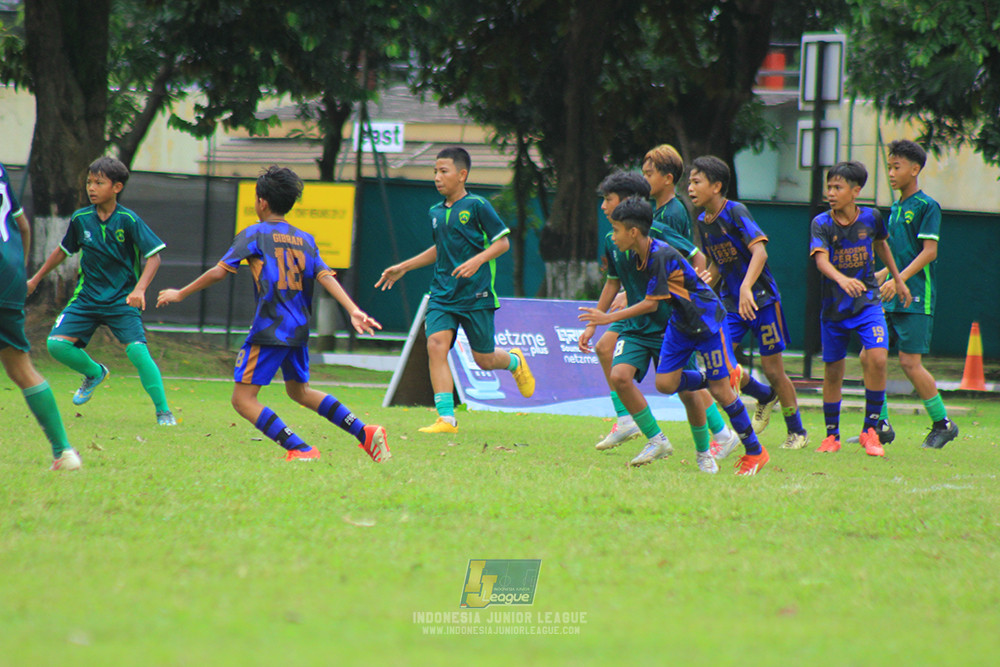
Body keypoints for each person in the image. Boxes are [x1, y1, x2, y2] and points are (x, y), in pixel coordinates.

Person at [156, 166, 390, 463]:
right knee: (300, 391)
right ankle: (365, 433)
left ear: (261, 202)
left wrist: (180, 293)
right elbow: (326, 276)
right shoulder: (304, 238)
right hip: (299, 329)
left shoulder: (254, 233)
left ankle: (301, 449)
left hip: (270, 328)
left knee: (242, 400)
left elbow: (219, 272)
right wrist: (353, 309)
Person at [579, 196, 770, 476]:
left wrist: (607, 318)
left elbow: (651, 304)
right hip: (680, 324)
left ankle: (754, 452)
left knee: (718, 393)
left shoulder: (661, 254)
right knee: (666, 384)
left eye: (617, 229)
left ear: (633, 232)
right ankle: (718, 376)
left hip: (706, 323)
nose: (613, 235)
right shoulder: (637, 255)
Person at [375, 147, 535, 433]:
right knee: (435, 344)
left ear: (462, 175)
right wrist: (405, 267)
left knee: (484, 360)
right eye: (435, 171)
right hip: (442, 294)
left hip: (476, 295)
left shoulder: (478, 206)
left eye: (443, 171)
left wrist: (476, 260)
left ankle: (513, 360)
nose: (437, 177)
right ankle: (446, 419)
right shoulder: (435, 211)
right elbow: (442, 249)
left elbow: (502, 243)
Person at [27, 156, 176, 425]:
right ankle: (95, 372)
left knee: (138, 352)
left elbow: (154, 257)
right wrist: (36, 279)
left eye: (99, 182)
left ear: (117, 187)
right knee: (56, 345)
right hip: (86, 298)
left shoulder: (129, 220)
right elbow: (63, 251)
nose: (91, 188)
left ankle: (163, 411)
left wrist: (140, 289)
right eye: (88, 182)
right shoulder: (81, 219)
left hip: (122, 301)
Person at [687, 155, 809, 451]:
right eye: (689, 181)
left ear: (716, 186)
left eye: (696, 181)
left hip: (763, 301)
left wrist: (745, 287)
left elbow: (760, 253)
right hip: (732, 303)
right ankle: (763, 396)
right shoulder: (704, 222)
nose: (690, 187)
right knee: (723, 361)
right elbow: (718, 263)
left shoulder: (736, 211)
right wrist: (704, 285)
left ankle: (797, 431)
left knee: (774, 369)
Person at [642, 145, 741, 457]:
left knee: (682, 384)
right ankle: (721, 434)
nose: (645, 180)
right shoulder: (660, 211)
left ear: (668, 178)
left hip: (677, 309)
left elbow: (687, 258)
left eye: (649, 174)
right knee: (680, 386)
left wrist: (693, 285)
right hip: (671, 304)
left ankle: (722, 434)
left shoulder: (670, 213)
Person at [857, 140, 958, 449]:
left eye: (896, 167)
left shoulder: (928, 206)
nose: (890, 173)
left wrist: (898, 279)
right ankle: (880, 425)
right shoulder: (897, 208)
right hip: (891, 292)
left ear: (915, 169)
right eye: (888, 167)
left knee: (909, 362)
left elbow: (929, 252)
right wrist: (881, 275)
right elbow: (897, 256)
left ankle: (943, 424)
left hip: (915, 297)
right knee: (868, 355)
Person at [809, 160, 911, 456]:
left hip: (867, 303)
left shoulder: (871, 218)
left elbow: (882, 246)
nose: (830, 192)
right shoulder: (822, 223)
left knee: (878, 358)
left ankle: (870, 431)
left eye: (837, 187)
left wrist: (898, 278)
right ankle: (831, 436)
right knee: (832, 372)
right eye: (829, 187)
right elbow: (821, 260)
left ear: (855, 191)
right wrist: (841, 279)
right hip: (834, 310)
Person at [0, 163, 80, 470]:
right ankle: (64, 452)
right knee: (21, 367)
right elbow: (23, 227)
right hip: (9, 278)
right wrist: (18, 273)